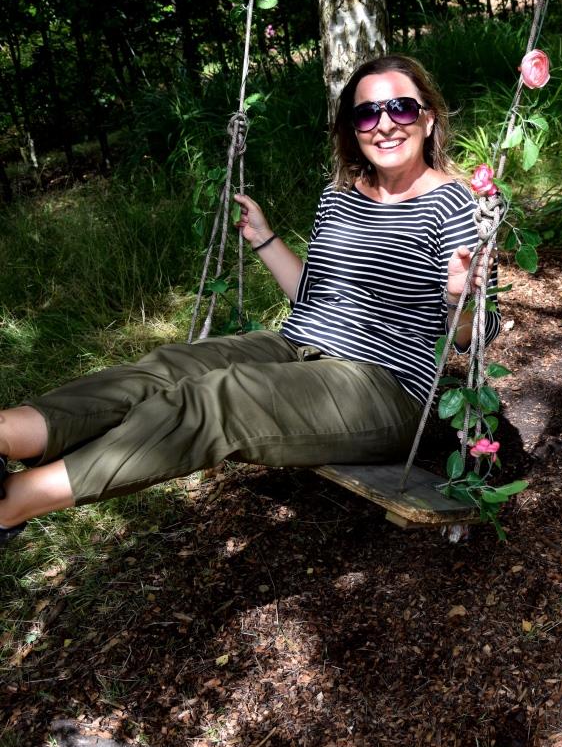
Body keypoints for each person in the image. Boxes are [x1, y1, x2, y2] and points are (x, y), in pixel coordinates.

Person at [0, 55, 500, 547]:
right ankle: (8, 432)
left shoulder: (459, 205)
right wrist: (264, 238)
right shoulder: (340, 195)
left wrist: (460, 298)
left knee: (219, 398)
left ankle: (15, 502)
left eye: (401, 108)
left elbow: (476, 337)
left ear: (428, 118)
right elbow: (315, 297)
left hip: (382, 385)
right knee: (167, 369)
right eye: (367, 113)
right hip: (297, 345)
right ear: (353, 128)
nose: (385, 124)